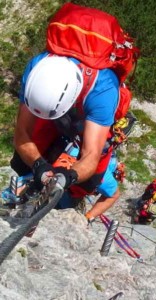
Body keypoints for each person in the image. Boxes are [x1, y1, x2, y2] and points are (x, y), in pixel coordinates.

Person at [10, 52, 120, 222]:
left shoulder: (104, 90)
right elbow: (21, 132)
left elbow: (92, 155)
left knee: (89, 180)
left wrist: (70, 177)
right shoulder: (37, 68)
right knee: (22, 161)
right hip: (58, 115)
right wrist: (38, 164)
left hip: (90, 119)